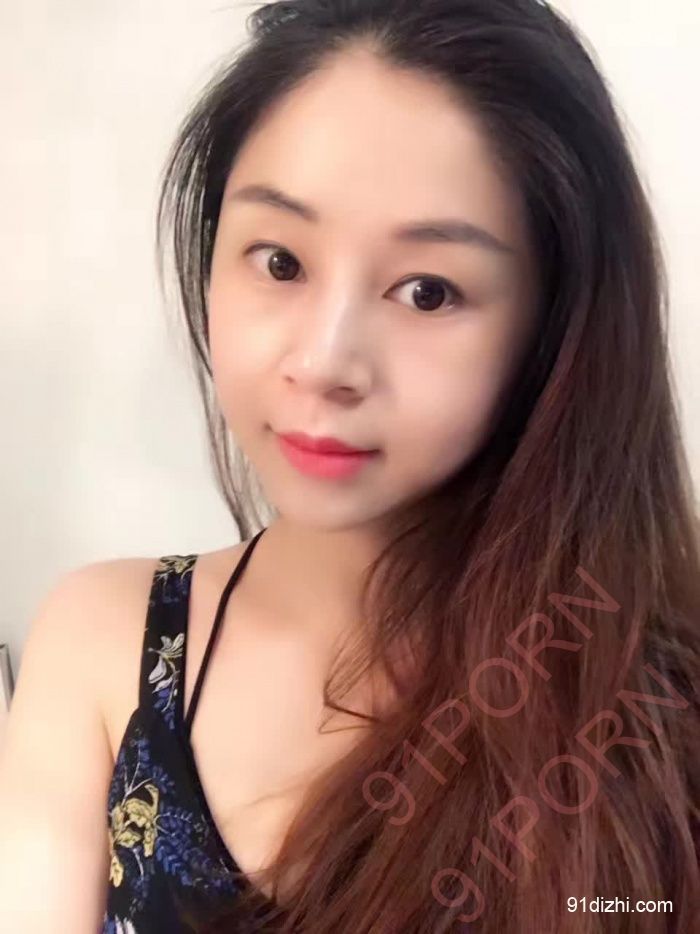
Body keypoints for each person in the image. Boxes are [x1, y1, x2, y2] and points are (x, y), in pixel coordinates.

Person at [1, 0, 699, 931]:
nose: (324, 362)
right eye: (280, 262)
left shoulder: (654, 702)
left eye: (428, 291)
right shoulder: (103, 642)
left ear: (555, 332)